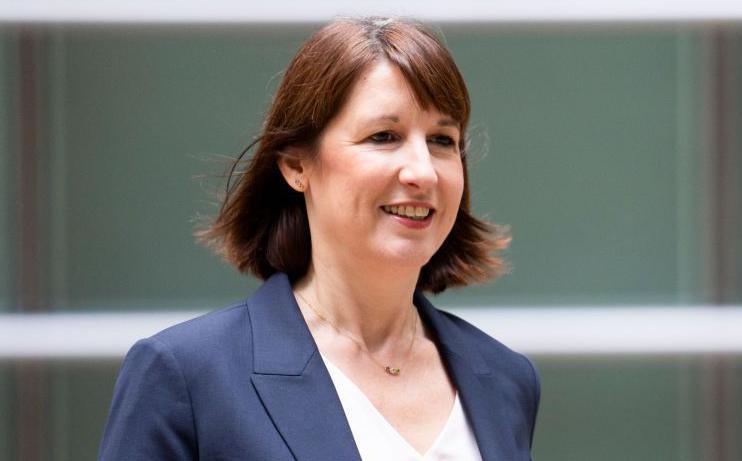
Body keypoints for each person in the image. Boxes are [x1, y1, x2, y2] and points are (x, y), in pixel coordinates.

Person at [99, 17, 540, 461]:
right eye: (383, 136)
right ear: (296, 166)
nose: (423, 171)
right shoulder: (186, 376)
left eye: (442, 141)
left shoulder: (505, 379)